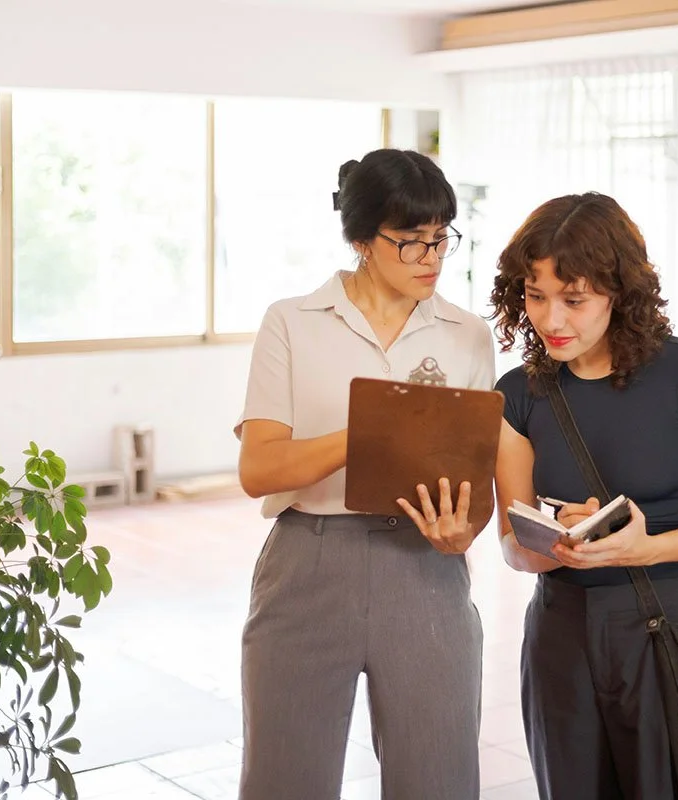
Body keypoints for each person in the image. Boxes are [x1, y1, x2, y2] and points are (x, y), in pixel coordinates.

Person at [489, 192, 678, 799]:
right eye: (535, 296)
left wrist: (645, 549)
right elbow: (514, 544)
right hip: (562, 636)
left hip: (675, 626)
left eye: (574, 299)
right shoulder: (519, 394)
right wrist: (558, 546)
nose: (551, 320)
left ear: (620, 291)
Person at [234, 148, 495, 800]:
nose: (431, 257)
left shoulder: (467, 335)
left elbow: (479, 483)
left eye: (441, 239)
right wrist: (368, 433)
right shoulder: (292, 323)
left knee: (439, 779)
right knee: (284, 779)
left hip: (426, 569)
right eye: (411, 242)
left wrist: (461, 534)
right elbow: (260, 466)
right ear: (360, 239)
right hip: (307, 565)